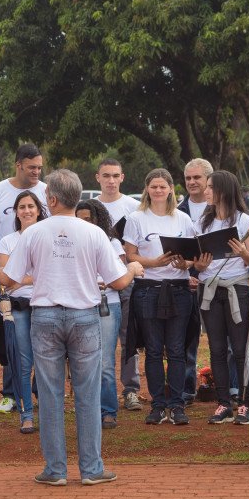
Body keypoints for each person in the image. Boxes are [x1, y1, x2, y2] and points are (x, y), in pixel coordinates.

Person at [0, 169, 142, 486]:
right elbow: (118, 281)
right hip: (84, 316)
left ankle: (55, 470)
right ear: (78, 197)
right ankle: (91, 469)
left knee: (50, 395)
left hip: (46, 316)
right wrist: (133, 266)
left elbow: (8, 280)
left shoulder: (33, 233)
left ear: (51, 198)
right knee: (87, 395)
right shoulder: (93, 233)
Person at [123, 168, 197, 426]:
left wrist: (185, 264)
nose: (158, 190)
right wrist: (153, 262)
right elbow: (130, 255)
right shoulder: (136, 218)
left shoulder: (183, 219)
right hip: (148, 289)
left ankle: (176, 405)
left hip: (178, 288)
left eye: (162, 186)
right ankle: (157, 404)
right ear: (147, 189)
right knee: (153, 350)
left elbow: (192, 255)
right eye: (153, 186)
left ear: (170, 189)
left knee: (176, 350)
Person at [0, 143, 48, 415]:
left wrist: (22, 277)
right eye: (31, 167)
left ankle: (38, 394)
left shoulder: (46, 190)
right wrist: (15, 275)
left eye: (40, 168)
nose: (36, 172)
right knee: (12, 343)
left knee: (43, 349)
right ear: (18, 164)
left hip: (44, 295)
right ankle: (10, 394)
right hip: (10, 292)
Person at [195, 170, 249, 425]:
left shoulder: (245, 222)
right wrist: (197, 265)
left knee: (242, 349)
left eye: (210, 186)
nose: (205, 190)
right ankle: (223, 403)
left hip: (238, 290)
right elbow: (195, 260)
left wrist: (243, 252)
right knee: (217, 349)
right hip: (210, 289)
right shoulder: (202, 222)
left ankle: (244, 403)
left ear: (224, 190)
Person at [0, 190, 48, 433]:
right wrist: (31, 278)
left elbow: (46, 274)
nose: (27, 210)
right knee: (23, 362)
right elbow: (5, 279)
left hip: (46, 305)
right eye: (22, 207)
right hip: (18, 309)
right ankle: (27, 415)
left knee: (48, 362)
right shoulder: (7, 241)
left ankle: (48, 413)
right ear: (16, 212)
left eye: (31, 206)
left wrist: (22, 280)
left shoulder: (49, 236)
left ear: (39, 209)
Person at [75, 199, 128, 430]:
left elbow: (122, 275)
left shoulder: (112, 242)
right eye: (79, 220)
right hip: (81, 305)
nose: (84, 224)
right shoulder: (71, 243)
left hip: (108, 304)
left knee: (105, 361)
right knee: (84, 361)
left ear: (98, 220)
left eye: (88, 219)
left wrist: (106, 282)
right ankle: (88, 411)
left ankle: (108, 410)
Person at [95, 158, 141, 412]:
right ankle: (100, 390)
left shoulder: (133, 207)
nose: (111, 180)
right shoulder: (90, 206)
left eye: (115, 175)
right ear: (97, 178)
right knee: (100, 342)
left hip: (126, 278)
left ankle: (131, 389)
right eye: (106, 176)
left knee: (128, 337)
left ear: (122, 177)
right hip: (98, 284)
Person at [177, 158, 214, 406]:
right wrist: (188, 274)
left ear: (208, 180)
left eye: (197, 177)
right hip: (186, 284)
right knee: (186, 341)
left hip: (218, 283)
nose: (192, 182)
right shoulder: (177, 211)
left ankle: (228, 390)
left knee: (224, 342)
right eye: (188, 178)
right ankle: (186, 390)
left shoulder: (221, 210)